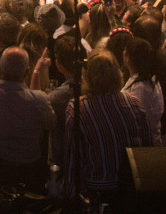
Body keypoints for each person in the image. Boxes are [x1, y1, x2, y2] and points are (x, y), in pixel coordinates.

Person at [61, 49, 151, 201]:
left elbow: (72, 162)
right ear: (117, 73)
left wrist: (68, 198)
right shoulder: (135, 103)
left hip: (98, 190)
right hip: (132, 190)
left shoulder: (78, 109)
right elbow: (148, 151)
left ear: (87, 76)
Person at [0, 46, 55, 190]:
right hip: (27, 175)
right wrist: (37, 73)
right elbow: (51, 124)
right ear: (26, 72)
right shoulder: (38, 100)